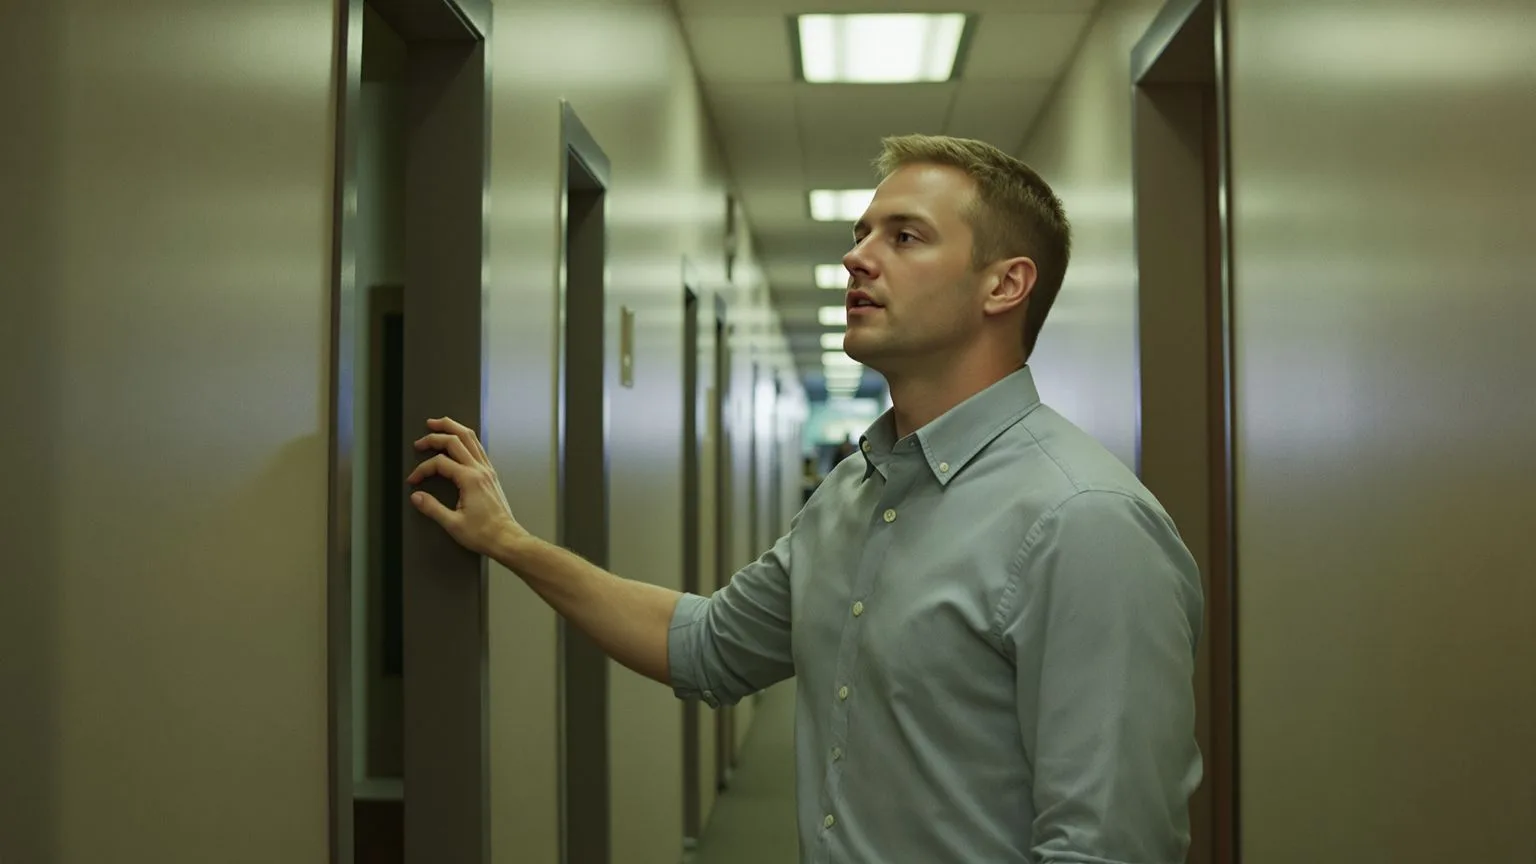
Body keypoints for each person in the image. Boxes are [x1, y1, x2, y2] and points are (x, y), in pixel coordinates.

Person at [407, 134, 1204, 863]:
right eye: (860, 233)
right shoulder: (855, 493)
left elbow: (1108, 849)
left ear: (1005, 284)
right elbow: (707, 644)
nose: (857, 258)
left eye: (904, 236)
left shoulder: (1085, 522)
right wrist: (509, 541)